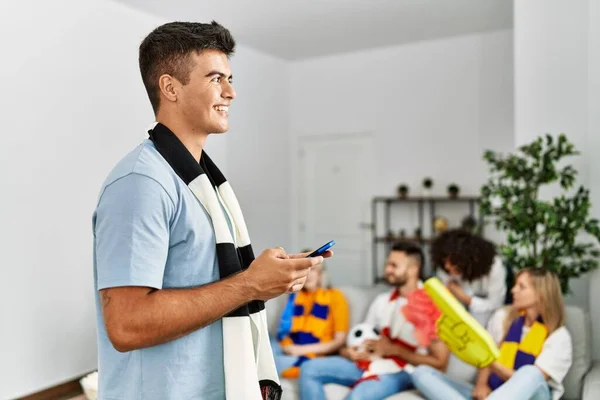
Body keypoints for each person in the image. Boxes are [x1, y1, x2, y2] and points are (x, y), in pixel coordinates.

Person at [92, 21, 329, 400]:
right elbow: (127, 324)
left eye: (230, 79)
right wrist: (249, 284)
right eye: (216, 79)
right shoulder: (142, 184)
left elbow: (212, 288)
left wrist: (264, 279)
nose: (231, 93)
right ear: (170, 87)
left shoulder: (205, 185)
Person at [298, 242, 450, 400]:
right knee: (309, 368)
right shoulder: (382, 301)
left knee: (357, 397)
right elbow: (360, 338)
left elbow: (440, 363)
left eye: (394, 265)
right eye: (387, 264)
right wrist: (348, 352)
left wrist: (395, 350)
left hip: (403, 371)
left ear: (413, 269)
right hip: (369, 361)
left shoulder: (431, 306)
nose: (387, 270)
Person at [411, 268, 573, 400]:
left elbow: (533, 382)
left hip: (532, 396)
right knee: (422, 372)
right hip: (494, 394)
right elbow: (486, 363)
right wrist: (481, 384)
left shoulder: (559, 336)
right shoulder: (503, 318)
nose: (513, 290)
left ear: (541, 294)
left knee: (530, 372)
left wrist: (491, 362)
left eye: (521, 287)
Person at [271, 255, 350, 378]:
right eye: (303, 270)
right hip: (289, 347)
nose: (307, 274)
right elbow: (283, 331)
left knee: (267, 363)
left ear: (320, 273)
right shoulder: (294, 297)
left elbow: (339, 341)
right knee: (265, 340)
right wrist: (287, 347)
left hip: (312, 355)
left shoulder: (336, 296)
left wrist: (300, 350)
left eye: (312, 269)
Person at [430, 229, 507, 325]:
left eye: (452, 261)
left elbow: (496, 304)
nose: (447, 266)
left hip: (488, 317)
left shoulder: (494, 267)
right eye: (444, 262)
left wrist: (466, 298)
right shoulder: (445, 269)